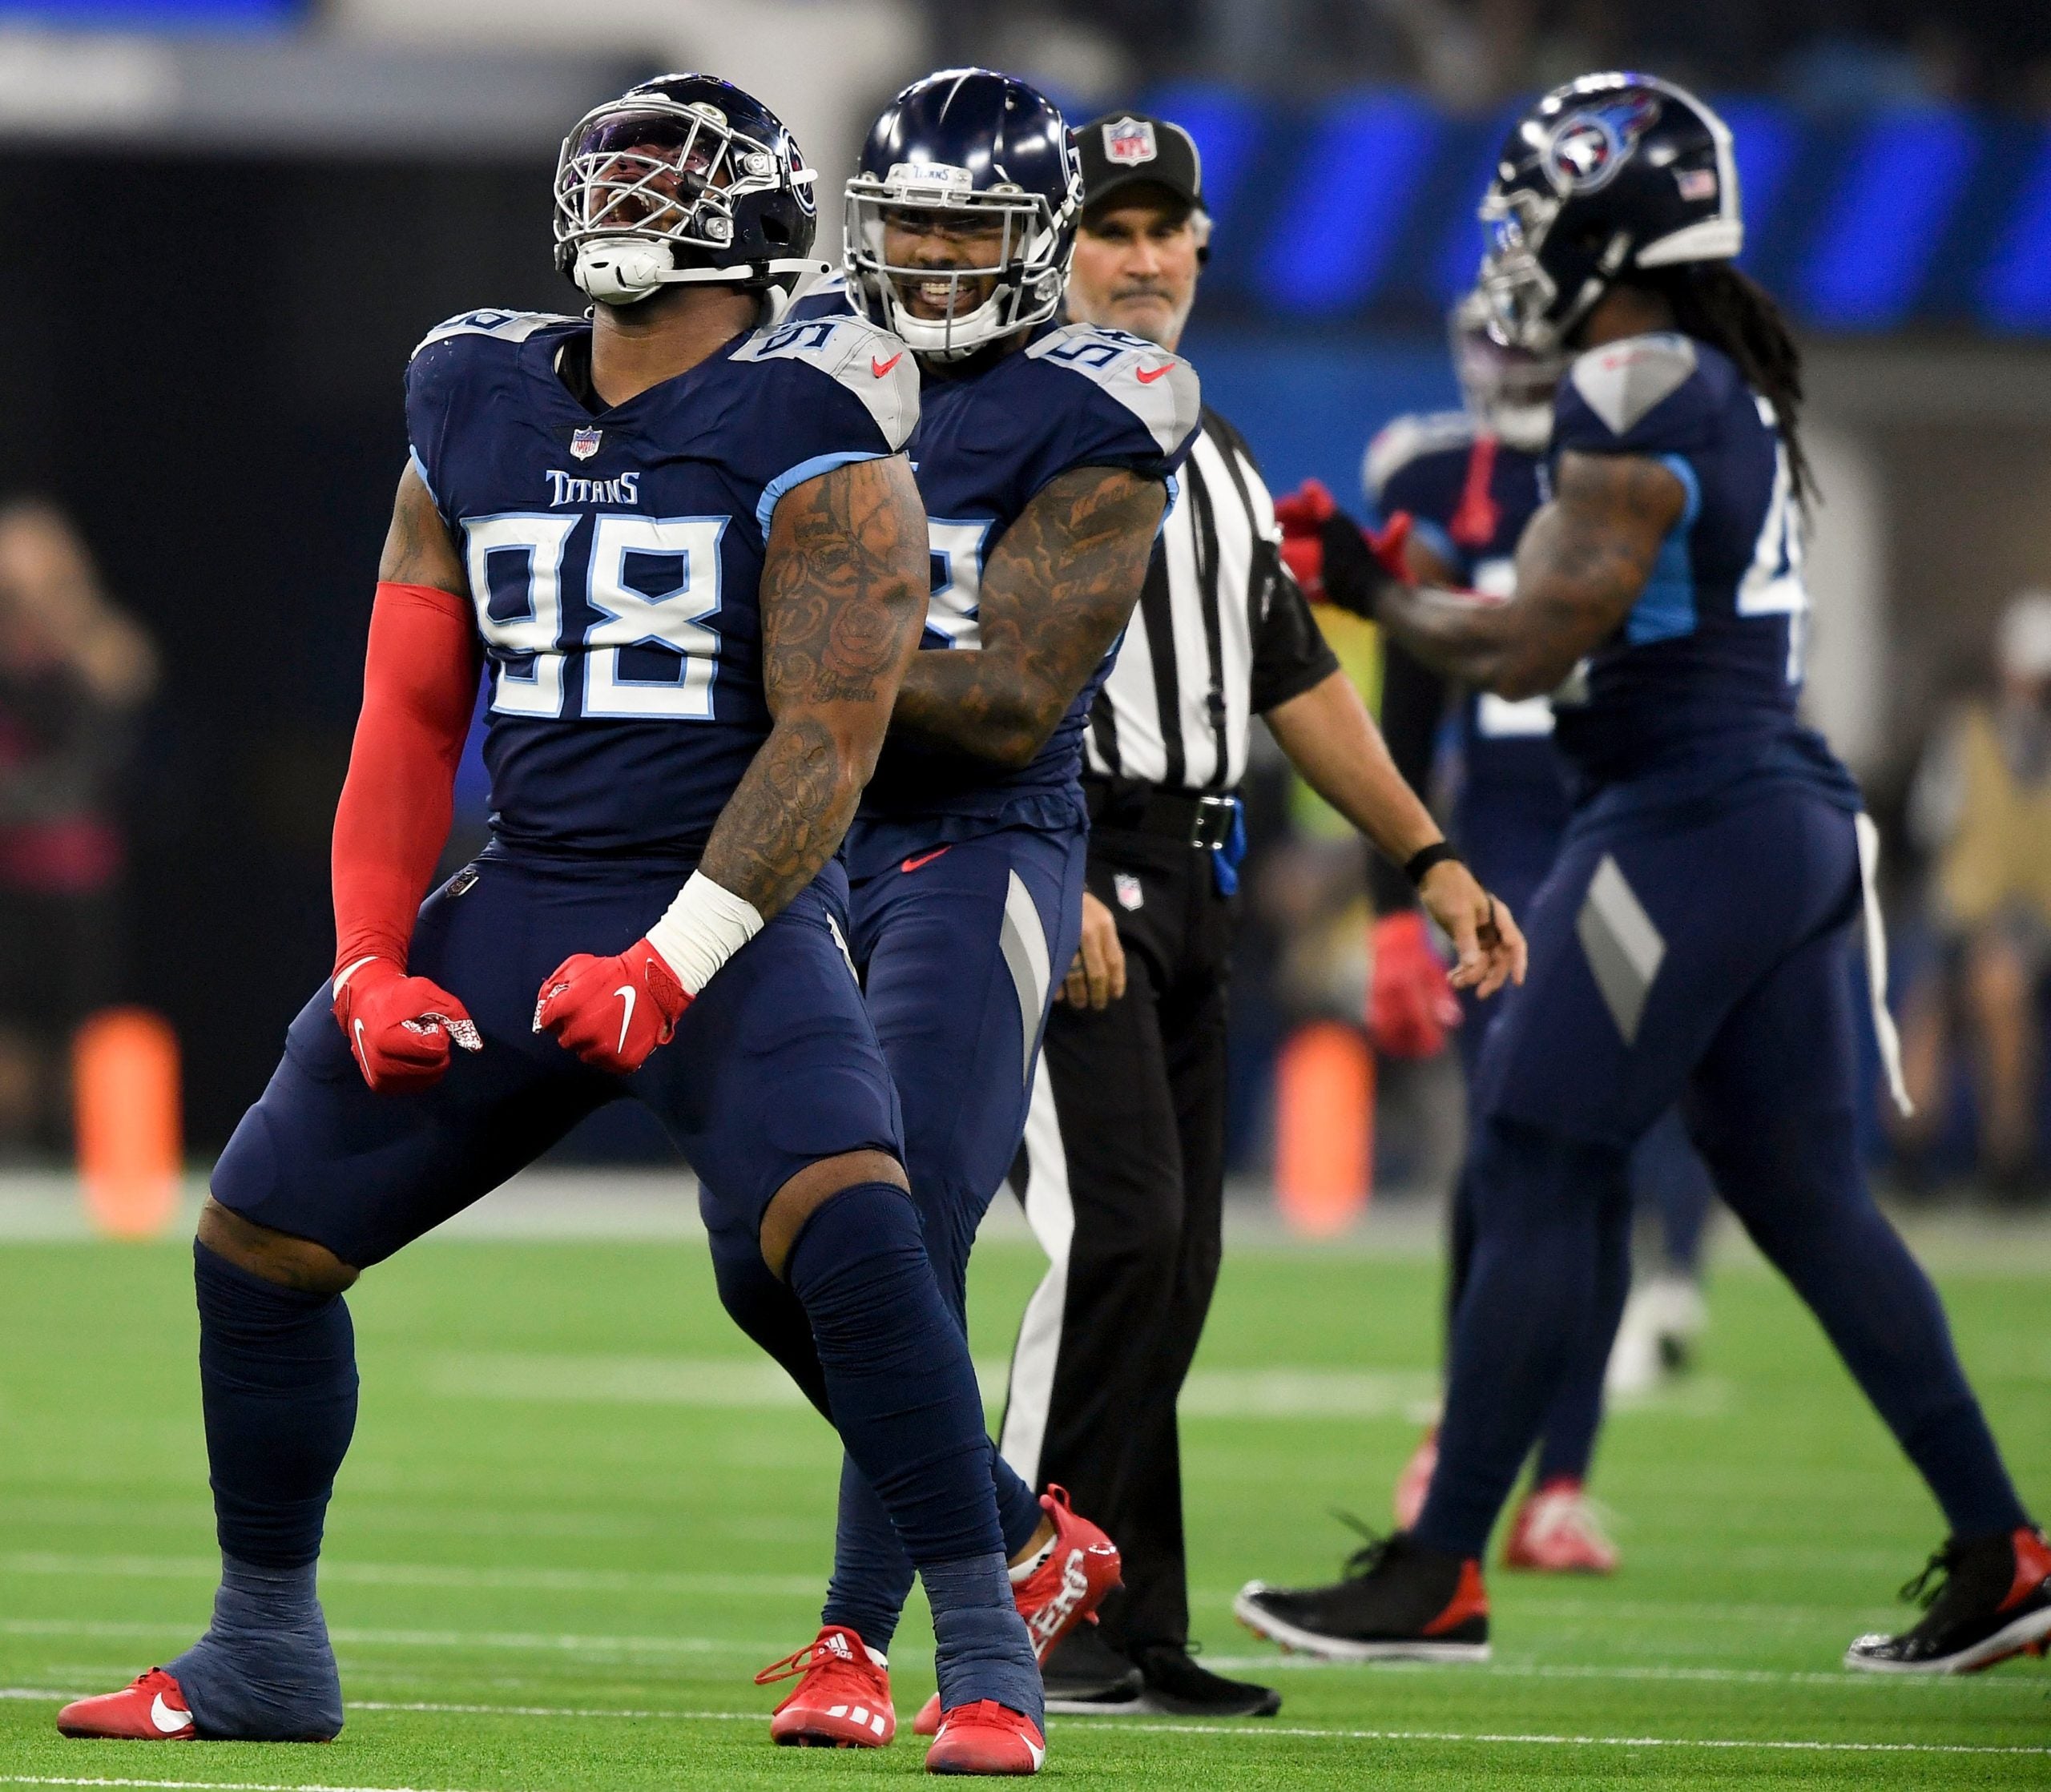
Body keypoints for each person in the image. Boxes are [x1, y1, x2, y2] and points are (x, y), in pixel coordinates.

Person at [56, 74, 1058, 1775]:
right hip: (526, 890)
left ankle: (983, 1648)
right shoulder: (471, 389)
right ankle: (261, 1645)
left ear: (750, 222)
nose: (630, 193)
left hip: (729, 900)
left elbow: (828, 738)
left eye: (673, 175)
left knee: (846, 1223)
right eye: (620, 165)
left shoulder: (814, 409)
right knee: (260, 1239)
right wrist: (368, 961)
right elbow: (404, 714)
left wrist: (671, 958)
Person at [1235, 72, 2049, 1675]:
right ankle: (2002, 1546)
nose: (1515, 236)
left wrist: (1369, 592)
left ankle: (1441, 1562)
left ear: (1608, 217)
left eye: (1537, 203)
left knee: (1537, 1146)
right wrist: (1400, 588)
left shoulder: (1627, 377)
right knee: (1804, 1200)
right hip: (1767, 820)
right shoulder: (1699, 375)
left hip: (1684, 819)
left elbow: (1536, 636)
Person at [979, 113, 1525, 1721]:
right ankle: (1010, 1593)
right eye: (1107, 228)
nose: (1139, 257)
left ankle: (1127, 1610)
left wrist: (1427, 855)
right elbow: (959, 662)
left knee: (1175, 1260)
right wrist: (1048, 850)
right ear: (1052, 247)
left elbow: (1290, 674)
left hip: (1195, 880)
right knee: (1113, 1237)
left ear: (1202, 247)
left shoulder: (1203, 445)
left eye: (1163, 229)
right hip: (1070, 854)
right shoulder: (1004, 422)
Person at [712, 70, 1202, 1754]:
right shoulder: (786, 364)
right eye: (904, 216)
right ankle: (1016, 1528)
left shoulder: (1101, 397)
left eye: (962, 225)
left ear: (1035, 243)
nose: (923, 254)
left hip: (973, 834)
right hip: (795, 835)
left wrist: (807, 665)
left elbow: (1002, 698)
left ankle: (906, 1643)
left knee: (899, 1217)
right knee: (753, 1247)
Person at [1314, 294, 1718, 1573]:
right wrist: (1394, 912)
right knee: (1509, 1148)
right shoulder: (1434, 471)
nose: (1514, 362)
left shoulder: (1653, 464)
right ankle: (1469, 1416)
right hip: (1504, 844)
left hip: (1624, 834)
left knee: (1590, 1159)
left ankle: (1562, 1478)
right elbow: (1410, 702)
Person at [0, 498, 157, 1150]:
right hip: (10, 870)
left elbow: (129, 676)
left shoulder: (90, 641)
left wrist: (64, 597)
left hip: (79, 875)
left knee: (82, 1037)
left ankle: (80, 1160)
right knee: (12, 1036)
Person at [1898, 590, 2051, 1202]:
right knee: (1928, 1004)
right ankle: (1912, 1150)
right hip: (1961, 914)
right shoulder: (1963, 735)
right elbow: (1928, 826)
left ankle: (2006, 1158)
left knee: (2003, 986)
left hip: (2035, 923)